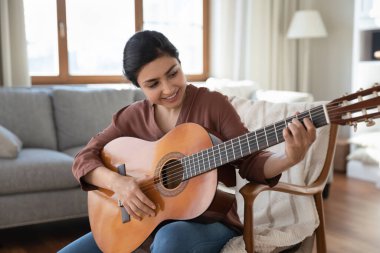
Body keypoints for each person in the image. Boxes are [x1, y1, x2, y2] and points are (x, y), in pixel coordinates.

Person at [58, 30, 316, 253]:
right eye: (153, 84)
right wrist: (119, 182)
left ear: (180, 63)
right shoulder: (131, 117)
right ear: (138, 86)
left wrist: (289, 158)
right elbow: (84, 159)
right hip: (142, 223)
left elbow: (250, 162)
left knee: (171, 238)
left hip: (208, 223)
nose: (169, 88)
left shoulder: (212, 104)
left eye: (173, 73)